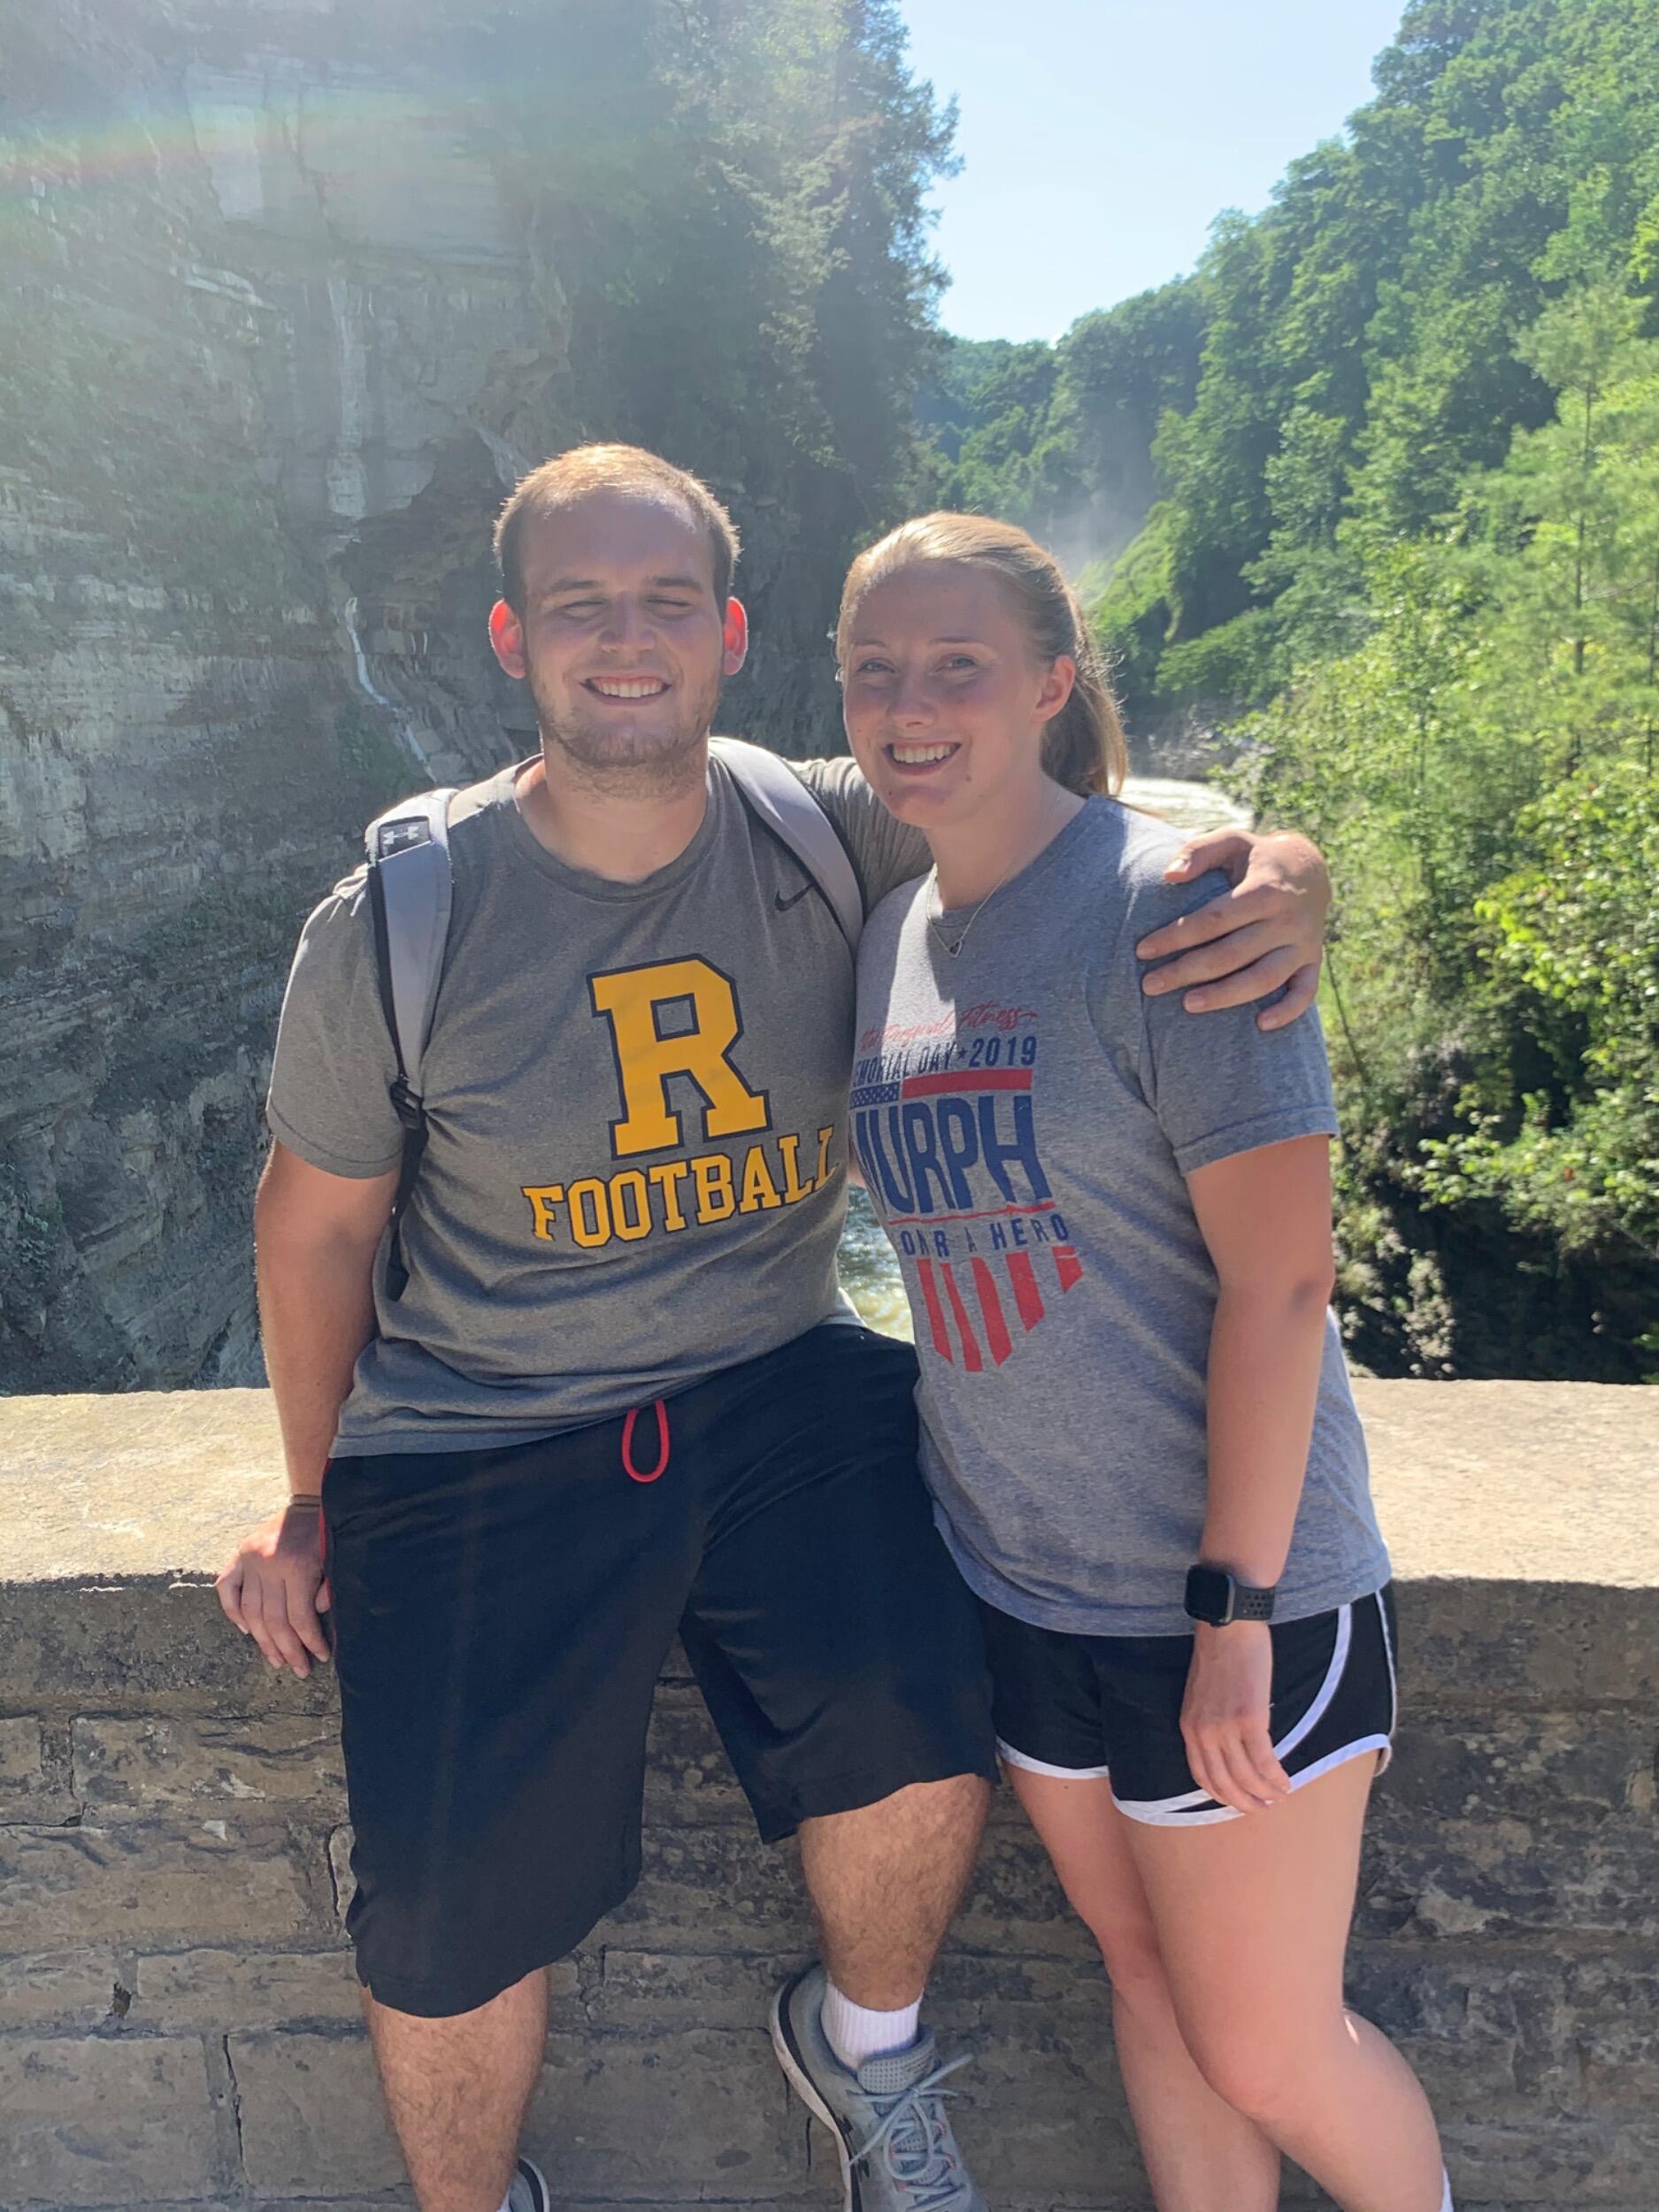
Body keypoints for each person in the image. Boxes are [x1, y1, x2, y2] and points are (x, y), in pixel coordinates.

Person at [215, 446, 1333, 2212]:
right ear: (515, 638)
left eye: (666, 602)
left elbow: (1107, 826)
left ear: (730, 632)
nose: (626, 642)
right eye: (581, 606)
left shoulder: (833, 820)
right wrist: (307, 1486)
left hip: (774, 1375)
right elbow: (316, 1226)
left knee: (915, 1707)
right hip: (480, 1423)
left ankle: (864, 2047)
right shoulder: (399, 922)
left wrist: (1282, 863)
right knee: (438, 1900)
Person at [838, 512, 1452, 2212]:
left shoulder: (1174, 915)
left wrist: (1236, 1616)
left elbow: (1283, 1285)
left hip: (1238, 1605)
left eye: (958, 664)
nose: (912, 704)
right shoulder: (896, 933)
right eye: (876, 669)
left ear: (1050, 679)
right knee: (1149, 1984)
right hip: (1030, 1596)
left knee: (1271, 2045)